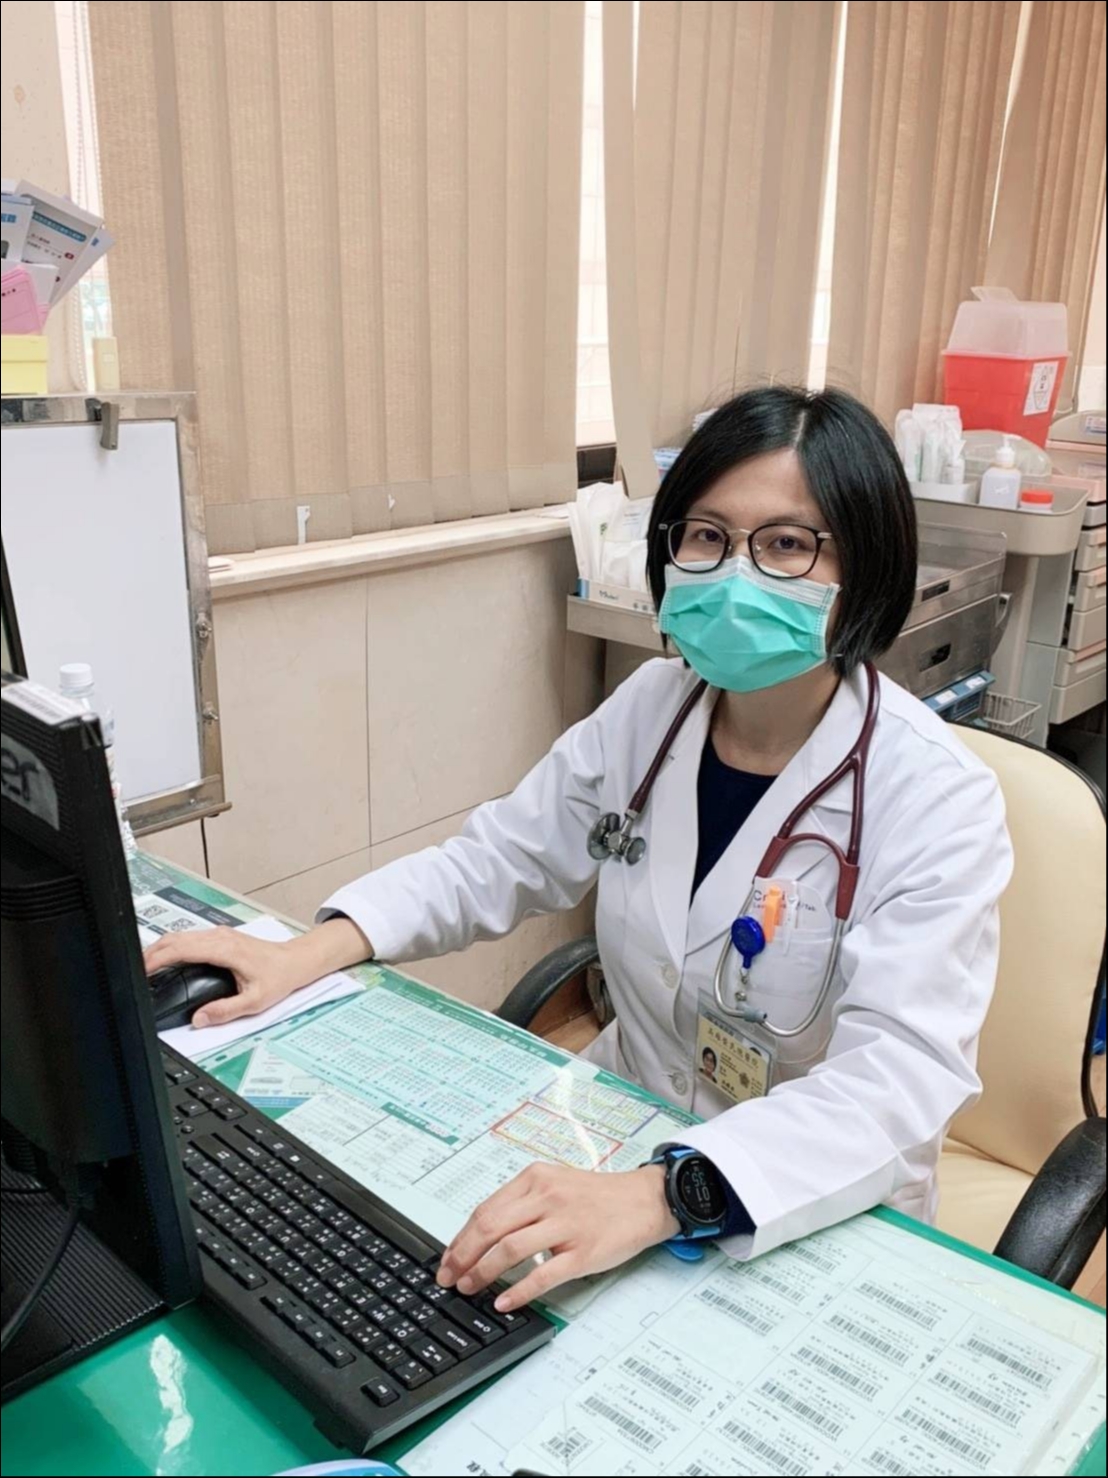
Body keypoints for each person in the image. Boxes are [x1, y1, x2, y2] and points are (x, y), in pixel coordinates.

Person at [146, 385, 1012, 1314]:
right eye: (707, 536)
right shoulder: (651, 709)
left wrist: (670, 1193)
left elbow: (894, 1084)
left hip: (811, 1196)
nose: (735, 574)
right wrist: (308, 951)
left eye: (787, 544)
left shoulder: (936, 800)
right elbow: (498, 859)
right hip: (622, 1133)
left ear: (866, 567)